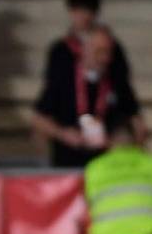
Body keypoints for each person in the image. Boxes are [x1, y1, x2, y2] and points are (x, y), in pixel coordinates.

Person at [32, 26, 142, 168]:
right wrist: (63, 134)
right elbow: (39, 120)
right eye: (99, 52)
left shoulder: (116, 81)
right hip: (69, 163)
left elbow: (137, 122)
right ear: (84, 50)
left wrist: (123, 143)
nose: (104, 58)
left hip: (107, 165)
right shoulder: (63, 79)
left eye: (108, 53)